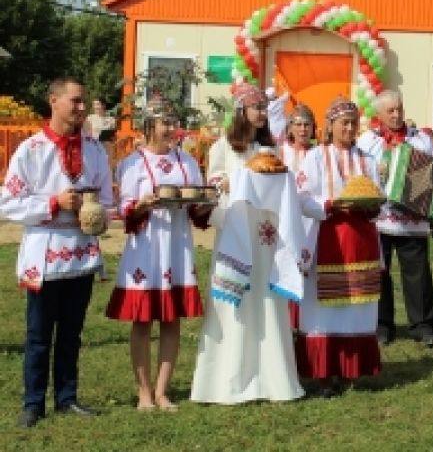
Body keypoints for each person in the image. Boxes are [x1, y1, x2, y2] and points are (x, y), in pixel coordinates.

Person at [0, 77, 113, 427]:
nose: (81, 108)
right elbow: (7, 202)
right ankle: (33, 402)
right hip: (44, 252)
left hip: (80, 252)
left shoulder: (94, 150)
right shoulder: (32, 150)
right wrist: (53, 202)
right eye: (75, 101)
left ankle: (67, 397)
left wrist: (96, 215)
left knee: (71, 332)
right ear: (54, 100)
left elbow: (107, 201)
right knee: (38, 333)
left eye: (83, 102)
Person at [190, 82, 304, 404]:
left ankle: (273, 379)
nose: (262, 115)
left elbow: (281, 186)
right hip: (237, 233)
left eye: (265, 110)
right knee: (235, 303)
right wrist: (227, 182)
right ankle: (227, 381)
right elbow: (213, 186)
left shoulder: (271, 151)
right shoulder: (224, 147)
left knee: (267, 299)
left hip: (266, 235)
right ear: (241, 111)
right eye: (257, 109)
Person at [105, 102, 208, 410]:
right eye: (165, 123)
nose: (171, 129)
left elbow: (195, 205)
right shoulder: (132, 164)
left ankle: (162, 391)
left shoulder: (187, 161)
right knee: (142, 320)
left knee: (171, 319)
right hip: (146, 246)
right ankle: (143, 392)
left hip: (176, 244)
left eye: (173, 122)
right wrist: (142, 204)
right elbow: (124, 208)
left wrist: (207, 202)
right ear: (149, 126)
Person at [295, 97, 383, 396]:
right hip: (328, 236)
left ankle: (351, 368)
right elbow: (303, 198)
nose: (349, 128)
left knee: (357, 306)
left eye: (353, 122)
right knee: (325, 307)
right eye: (343, 123)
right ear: (330, 126)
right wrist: (331, 204)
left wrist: (373, 207)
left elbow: (378, 194)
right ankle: (324, 372)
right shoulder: (315, 157)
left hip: (362, 237)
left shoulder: (368, 159)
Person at [357, 90, 433, 348]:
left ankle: (423, 326)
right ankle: (382, 326)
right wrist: (375, 172)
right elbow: (358, 175)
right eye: (390, 111)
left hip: (412, 220)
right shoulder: (367, 142)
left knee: (417, 273)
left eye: (399, 109)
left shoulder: (421, 141)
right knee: (380, 273)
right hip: (379, 218)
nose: (396, 115)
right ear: (378, 114)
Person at [280, 103, 317, 329]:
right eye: (299, 125)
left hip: (310, 217)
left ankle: (306, 319)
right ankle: (285, 320)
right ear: (290, 128)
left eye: (307, 125)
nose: (303, 130)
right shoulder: (280, 152)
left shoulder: (319, 154)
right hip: (286, 216)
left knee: (308, 267)